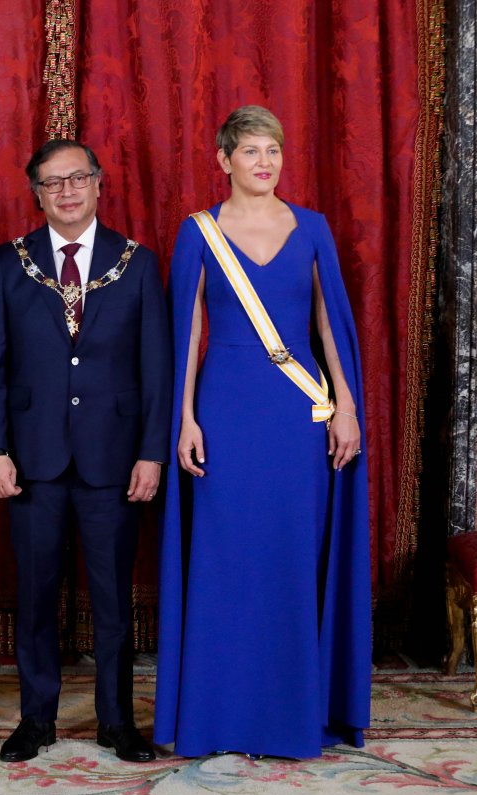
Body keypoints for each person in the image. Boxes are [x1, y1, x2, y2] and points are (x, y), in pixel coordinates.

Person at [154, 105, 371, 759]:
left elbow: (329, 322)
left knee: (289, 558)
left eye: (272, 149)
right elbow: (187, 330)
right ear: (224, 160)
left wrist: (347, 407)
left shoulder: (312, 228)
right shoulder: (198, 231)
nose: (264, 162)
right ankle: (218, 717)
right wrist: (184, 419)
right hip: (224, 410)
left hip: (297, 416)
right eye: (250, 150)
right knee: (226, 562)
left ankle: (290, 717)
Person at [0, 140, 171, 763]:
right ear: (37, 194)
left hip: (113, 460)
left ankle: (117, 722)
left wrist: (152, 453)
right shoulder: (11, 262)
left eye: (78, 178)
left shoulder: (136, 262)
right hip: (33, 460)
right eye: (53, 183)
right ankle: (37, 721)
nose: (67, 191)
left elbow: (157, 368)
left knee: (112, 602)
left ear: (99, 184)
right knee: (36, 598)